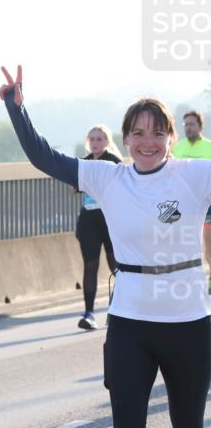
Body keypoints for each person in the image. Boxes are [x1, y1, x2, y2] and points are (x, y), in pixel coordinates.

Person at [0, 66, 211, 428]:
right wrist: (16, 107)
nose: (147, 142)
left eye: (157, 133)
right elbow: (43, 157)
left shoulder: (195, 174)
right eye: (138, 133)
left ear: (171, 138)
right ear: (125, 139)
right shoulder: (107, 177)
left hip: (188, 322)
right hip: (131, 322)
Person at [74, 125, 121, 330]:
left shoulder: (114, 162)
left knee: (116, 266)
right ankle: (89, 313)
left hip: (110, 218)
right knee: (90, 265)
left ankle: (120, 307)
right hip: (89, 219)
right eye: (92, 139)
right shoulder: (83, 163)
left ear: (107, 142)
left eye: (100, 139)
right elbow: (74, 187)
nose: (95, 143)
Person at [171, 111, 211, 280]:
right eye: (186, 124)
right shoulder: (178, 148)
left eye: (192, 124)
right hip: (184, 204)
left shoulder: (208, 147)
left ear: (200, 126)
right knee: (183, 245)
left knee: (208, 245)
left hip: (208, 204)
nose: (188, 127)